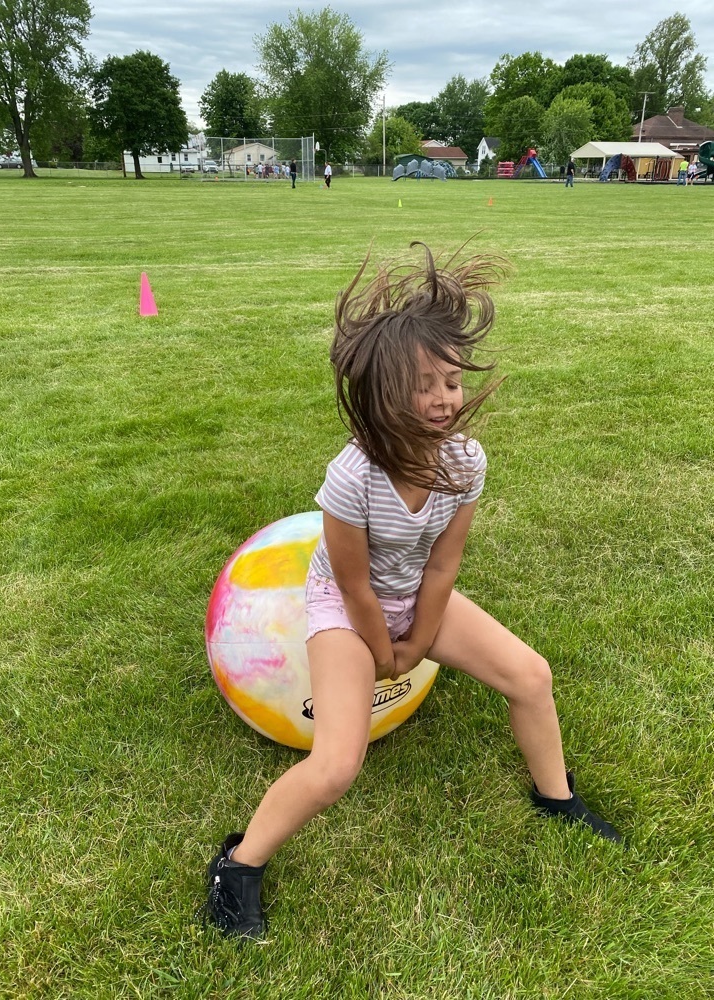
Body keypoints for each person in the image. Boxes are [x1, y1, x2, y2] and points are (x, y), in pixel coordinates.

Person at [201, 243, 622, 940]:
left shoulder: (466, 460)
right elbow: (352, 579)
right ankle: (238, 866)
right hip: (348, 604)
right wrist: (383, 650)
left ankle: (557, 798)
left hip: (413, 596)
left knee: (530, 675)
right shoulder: (351, 477)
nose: (445, 398)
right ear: (380, 393)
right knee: (336, 764)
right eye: (425, 384)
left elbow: (442, 567)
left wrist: (422, 639)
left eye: (452, 382)